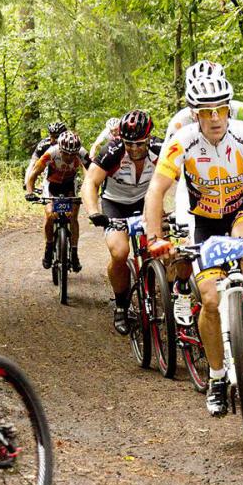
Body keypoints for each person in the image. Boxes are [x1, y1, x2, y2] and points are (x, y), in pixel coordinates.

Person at [144, 74, 243, 417]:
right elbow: (156, 191)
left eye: (220, 108)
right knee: (210, 300)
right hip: (202, 220)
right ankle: (218, 379)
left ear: (229, 108)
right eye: (206, 111)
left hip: (240, 210)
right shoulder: (181, 141)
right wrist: (155, 238)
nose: (215, 117)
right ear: (195, 113)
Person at [163, 60, 243, 223]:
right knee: (190, 241)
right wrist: (166, 209)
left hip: (237, 188)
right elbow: (168, 169)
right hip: (195, 192)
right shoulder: (180, 122)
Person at [81, 110, 162, 334]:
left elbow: (183, 177)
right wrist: (94, 212)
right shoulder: (113, 151)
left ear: (148, 139)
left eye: (139, 143)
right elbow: (90, 183)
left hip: (146, 202)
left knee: (159, 248)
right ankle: (121, 307)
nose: (134, 149)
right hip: (115, 204)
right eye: (129, 143)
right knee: (119, 252)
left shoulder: (160, 149)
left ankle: (163, 292)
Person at [25, 130, 88, 272]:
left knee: (73, 217)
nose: (69, 157)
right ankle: (48, 248)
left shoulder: (82, 153)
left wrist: (89, 191)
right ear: (60, 149)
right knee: (49, 215)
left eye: (73, 154)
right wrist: (30, 192)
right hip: (51, 184)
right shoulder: (50, 153)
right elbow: (33, 174)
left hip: (70, 184)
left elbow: (91, 173)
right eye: (66, 153)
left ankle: (74, 252)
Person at [24, 121, 67, 189]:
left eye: (56, 137)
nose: (52, 140)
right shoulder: (44, 145)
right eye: (51, 136)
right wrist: (27, 181)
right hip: (50, 176)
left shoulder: (71, 143)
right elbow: (32, 163)